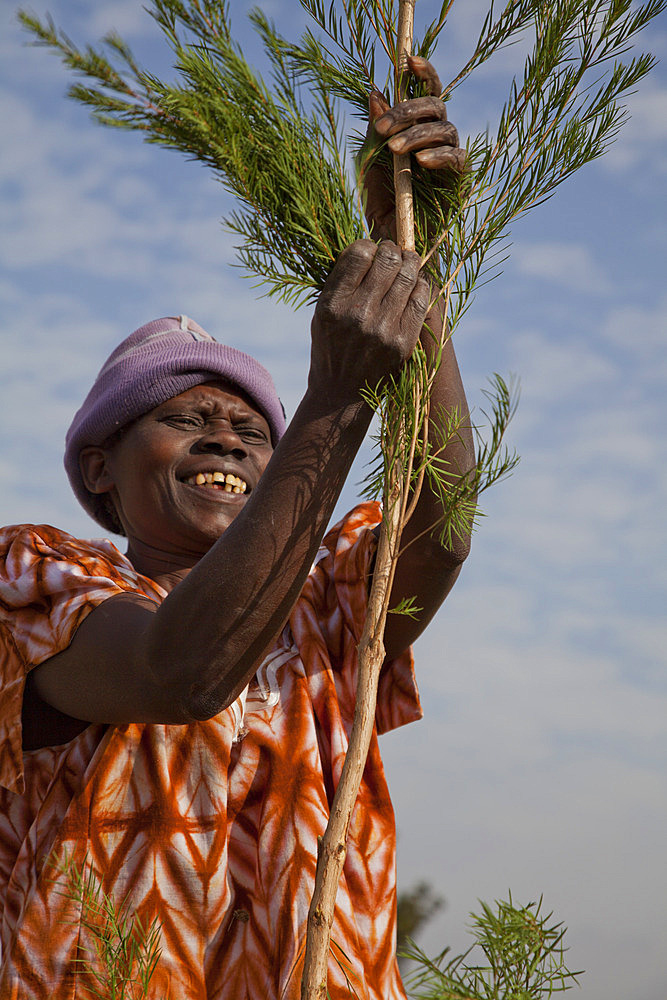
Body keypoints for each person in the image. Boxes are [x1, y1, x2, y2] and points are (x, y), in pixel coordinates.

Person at [0, 64, 473, 1000]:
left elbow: (442, 527)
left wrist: (408, 267)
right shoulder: (36, 579)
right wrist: (333, 400)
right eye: (185, 417)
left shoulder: (325, 604)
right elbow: (181, 673)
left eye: (254, 429)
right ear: (100, 469)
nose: (227, 435)